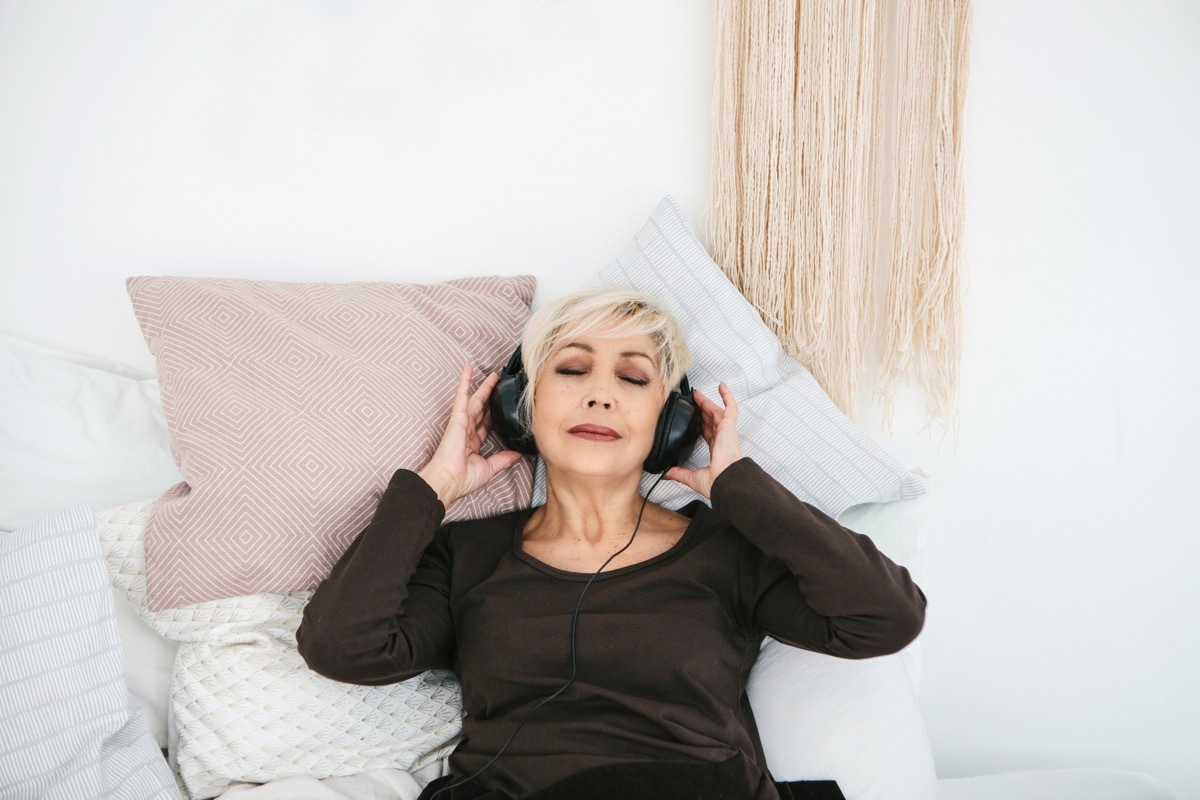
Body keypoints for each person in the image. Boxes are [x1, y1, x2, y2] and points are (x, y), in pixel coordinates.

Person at [297, 288, 927, 800]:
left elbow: (886, 617)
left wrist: (739, 487)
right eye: (571, 368)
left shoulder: (727, 550)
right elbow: (340, 646)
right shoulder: (465, 555)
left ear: (670, 423)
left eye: (633, 379)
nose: (600, 392)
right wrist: (433, 489)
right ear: (523, 406)